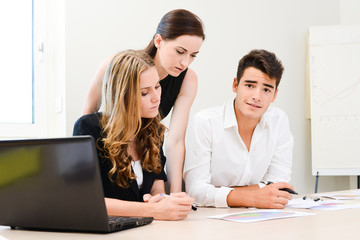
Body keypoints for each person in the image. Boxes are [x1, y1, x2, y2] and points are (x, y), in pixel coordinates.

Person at [82, 9, 205, 193]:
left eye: (193, 55)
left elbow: (175, 140)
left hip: (144, 148)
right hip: (111, 155)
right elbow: (86, 122)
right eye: (180, 51)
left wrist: (175, 194)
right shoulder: (115, 66)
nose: (185, 62)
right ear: (158, 41)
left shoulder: (187, 79)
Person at [74, 50, 194, 220]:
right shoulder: (88, 128)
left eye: (157, 86)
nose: (156, 98)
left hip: (142, 228)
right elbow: (85, 201)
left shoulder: (154, 130)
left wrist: (161, 200)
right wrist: (153, 211)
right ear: (122, 95)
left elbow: (156, 188)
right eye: (145, 93)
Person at [183, 49, 295, 209]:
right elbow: (196, 192)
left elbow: (279, 186)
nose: (257, 96)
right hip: (207, 219)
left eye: (266, 89)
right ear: (235, 85)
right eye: (250, 85)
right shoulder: (205, 122)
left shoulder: (279, 120)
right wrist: (253, 197)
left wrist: (220, 193)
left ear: (274, 95)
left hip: (255, 217)